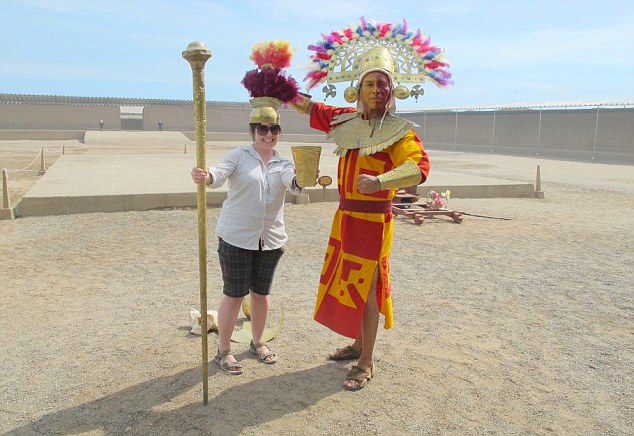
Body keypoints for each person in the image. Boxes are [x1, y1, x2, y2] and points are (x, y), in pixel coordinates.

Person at [290, 36, 450, 390]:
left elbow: (419, 167)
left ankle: (366, 361)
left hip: (374, 222)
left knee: (367, 288)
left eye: (383, 83)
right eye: (370, 83)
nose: (376, 89)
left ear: (392, 89)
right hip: (345, 218)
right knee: (347, 284)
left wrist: (380, 181)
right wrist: (279, 89)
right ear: (358, 88)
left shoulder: (397, 132)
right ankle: (357, 344)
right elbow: (312, 109)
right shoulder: (345, 120)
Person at [191, 40, 302, 375]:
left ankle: (258, 341)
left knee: (261, 295)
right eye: (262, 129)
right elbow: (219, 174)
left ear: (279, 132)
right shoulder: (239, 156)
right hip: (236, 237)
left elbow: (293, 182)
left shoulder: (282, 163)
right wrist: (207, 175)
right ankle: (224, 351)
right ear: (253, 131)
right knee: (234, 295)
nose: (268, 134)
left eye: (273, 129)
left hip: (270, 240)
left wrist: (304, 178)